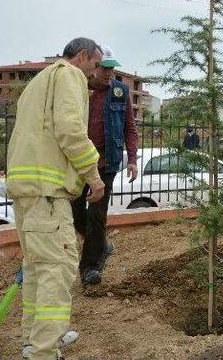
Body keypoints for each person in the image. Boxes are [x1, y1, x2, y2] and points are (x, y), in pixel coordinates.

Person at [7, 38, 105, 360]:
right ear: (81, 56)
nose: (94, 74)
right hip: (48, 195)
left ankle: (33, 342)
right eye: (94, 65)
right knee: (57, 269)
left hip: (26, 191)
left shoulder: (38, 81)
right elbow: (70, 130)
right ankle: (44, 352)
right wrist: (93, 174)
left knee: (36, 268)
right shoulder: (69, 75)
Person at [71, 46, 138, 286]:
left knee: (97, 217)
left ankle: (89, 268)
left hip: (106, 162)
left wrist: (132, 159)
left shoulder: (120, 91)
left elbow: (130, 127)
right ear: (94, 67)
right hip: (78, 164)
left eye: (112, 68)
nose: (110, 73)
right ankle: (102, 245)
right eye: (105, 68)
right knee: (75, 212)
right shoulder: (79, 89)